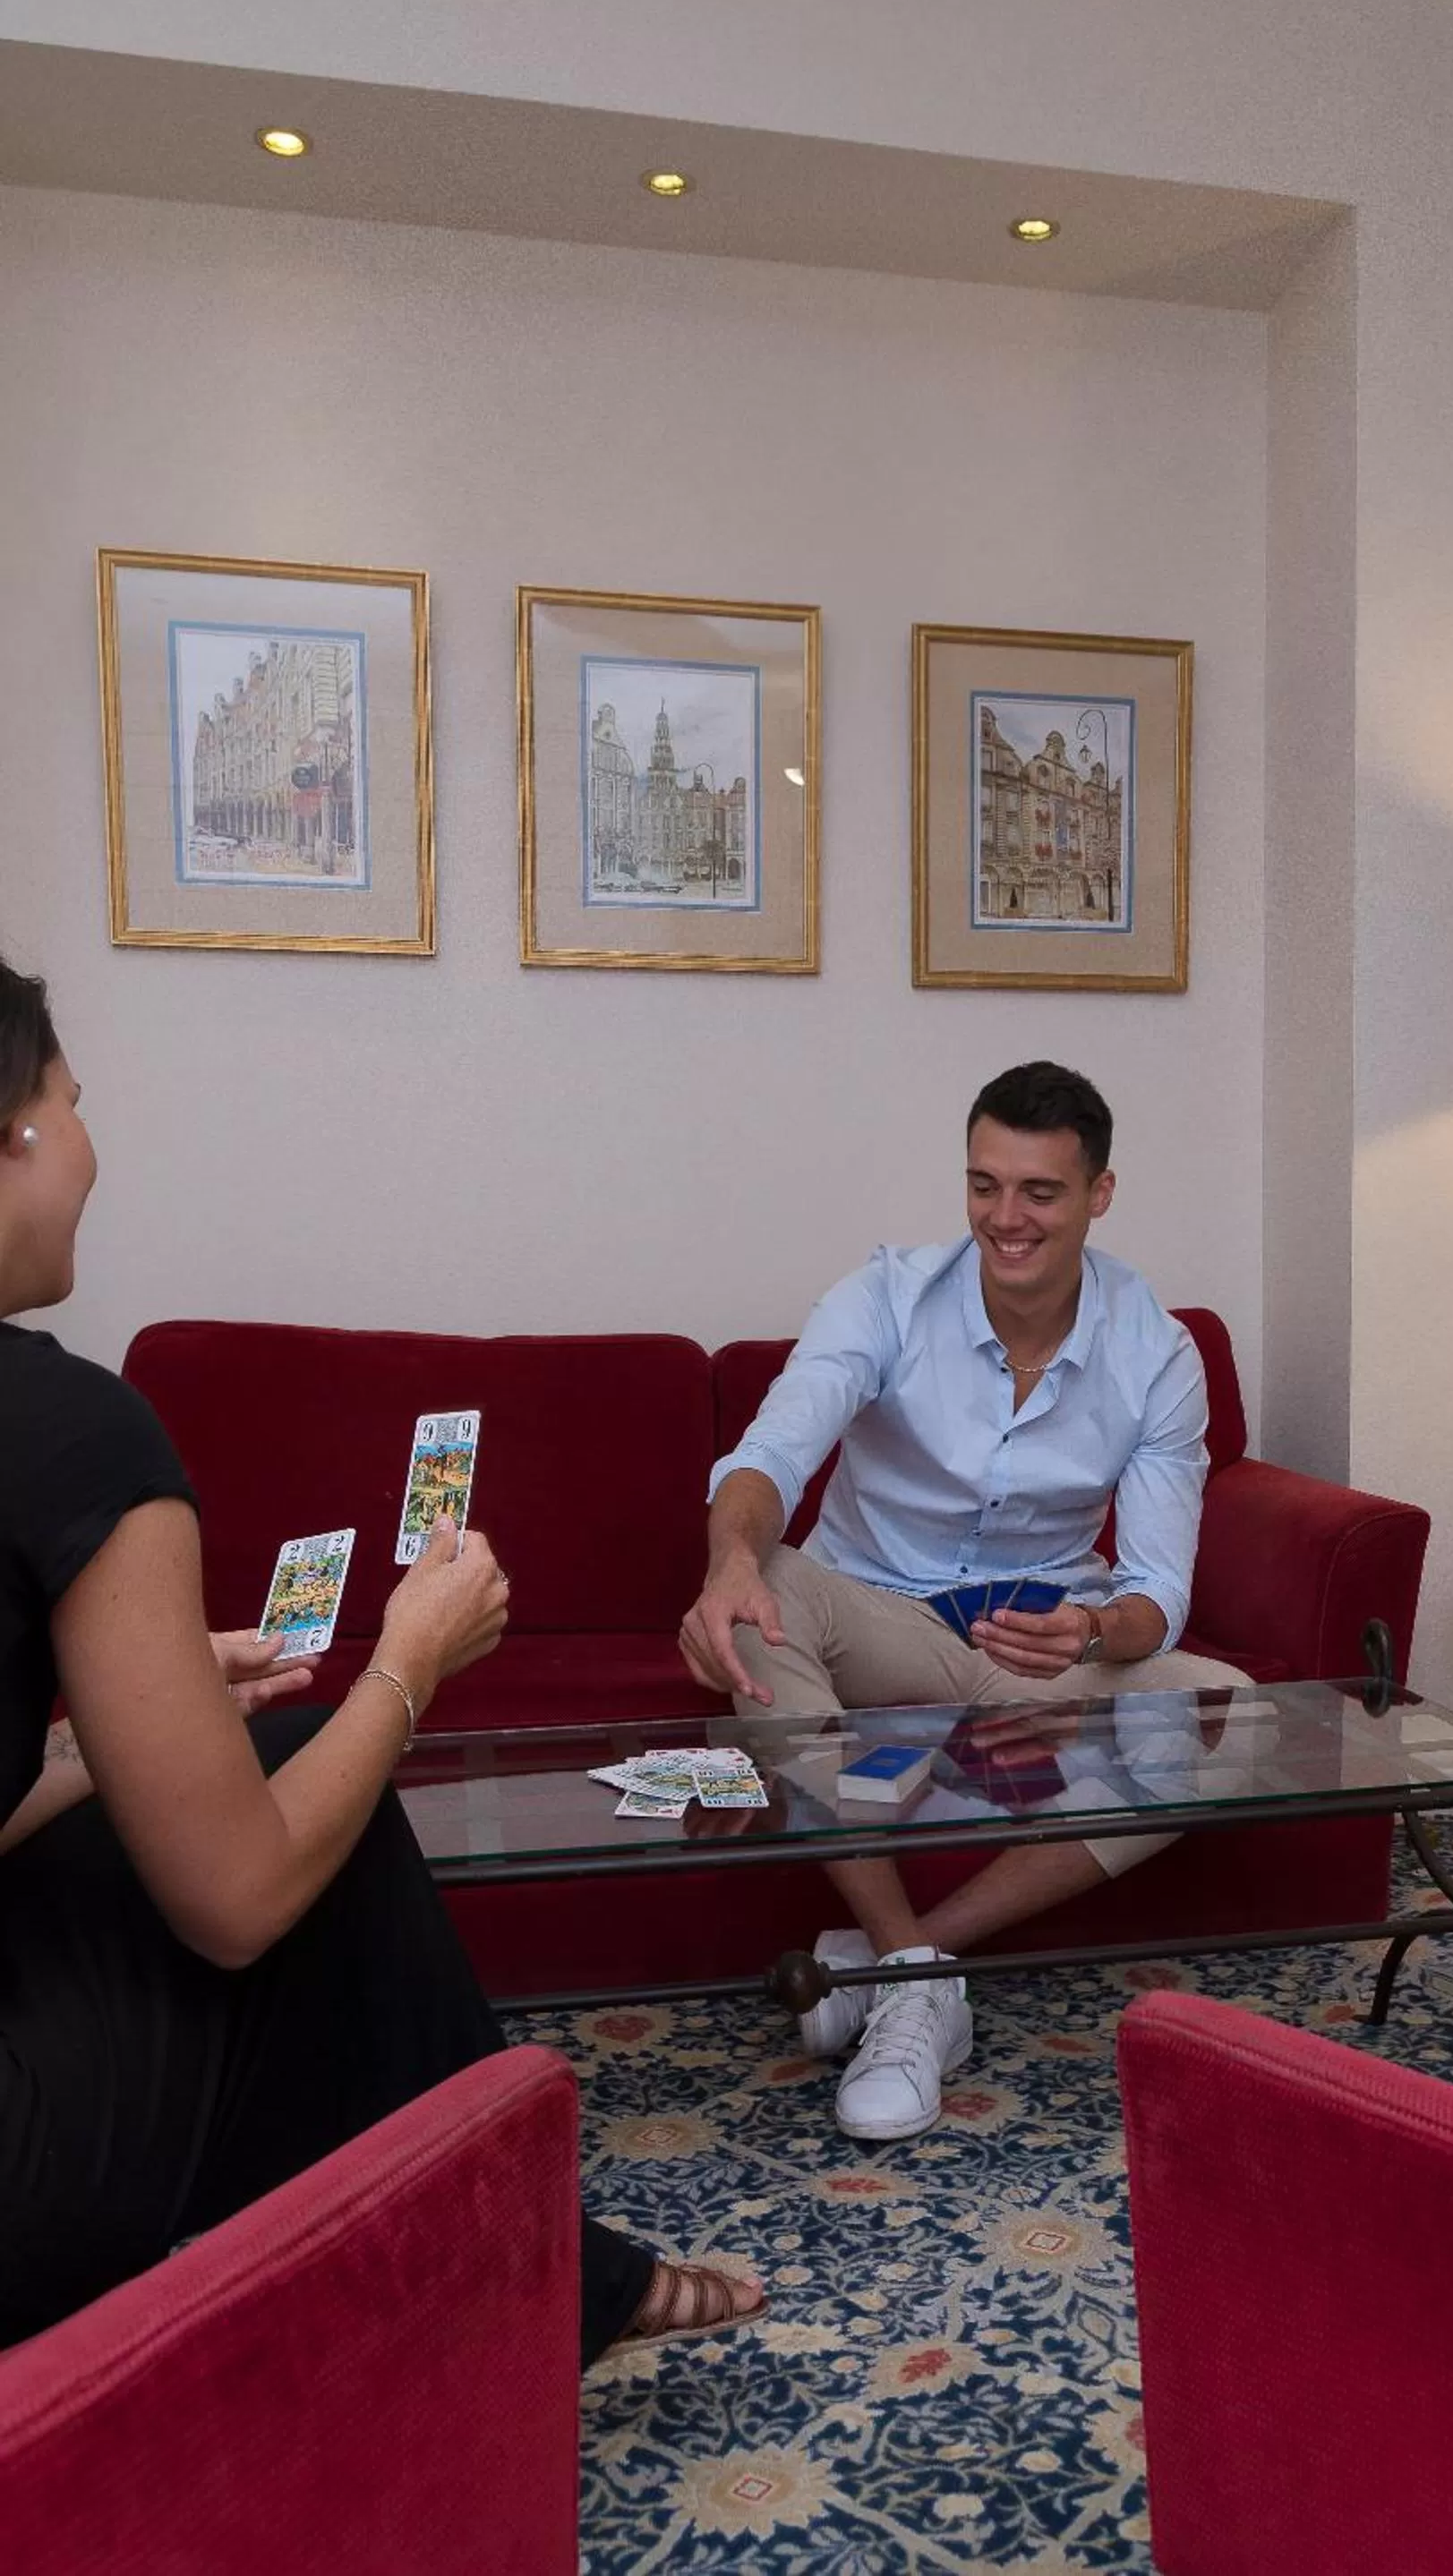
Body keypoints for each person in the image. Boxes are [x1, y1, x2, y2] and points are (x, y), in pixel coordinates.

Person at [0, 956, 761, 2359]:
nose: (93, 1145)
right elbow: (234, 1903)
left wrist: (92, 1738)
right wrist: (404, 1667)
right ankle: (498, 2274)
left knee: (287, 1750)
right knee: (307, 1859)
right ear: (16, 1133)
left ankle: (479, 2259)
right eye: (75, 1100)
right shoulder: (73, 1431)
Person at [679, 1060, 1240, 2143]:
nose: (1005, 1217)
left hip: (1043, 1641)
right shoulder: (885, 1296)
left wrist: (1094, 1629)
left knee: (1233, 1717)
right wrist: (730, 1563)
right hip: (874, 1617)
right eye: (985, 1185)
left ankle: (902, 1962)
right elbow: (771, 1452)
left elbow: (1157, 1592)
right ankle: (911, 1976)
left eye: (1039, 1191)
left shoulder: (1157, 1352)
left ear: (1099, 1194)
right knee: (763, 1591)